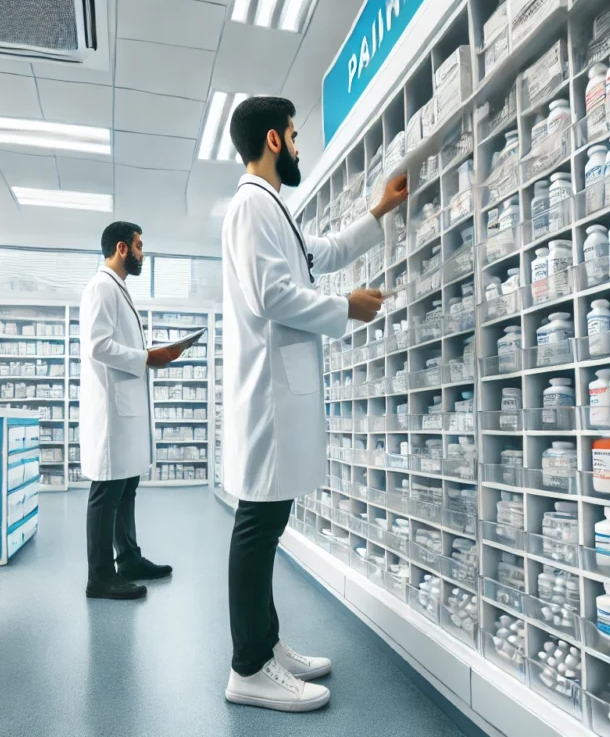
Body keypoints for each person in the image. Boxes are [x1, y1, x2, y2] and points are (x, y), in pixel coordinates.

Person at [219, 96, 407, 711]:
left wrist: (378, 211)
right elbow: (274, 294)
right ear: (274, 139)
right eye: (295, 136)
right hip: (269, 396)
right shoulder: (251, 207)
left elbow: (315, 254)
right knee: (256, 528)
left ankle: (266, 645)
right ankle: (247, 666)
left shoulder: (272, 208)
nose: (299, 147)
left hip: (280, 392)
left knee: (266, 526)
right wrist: (342, 308)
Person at [79, 221, 182, 600]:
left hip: (126, 410)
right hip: (111, 413)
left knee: (126, 486)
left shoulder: (118, 289)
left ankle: (129, 559)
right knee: (107, 491)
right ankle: (100, 576)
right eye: (140, 246)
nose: (143, 253)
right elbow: (98, 346)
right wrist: (146, 357)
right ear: (122, 248)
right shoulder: (101, 287)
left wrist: (152, 354)